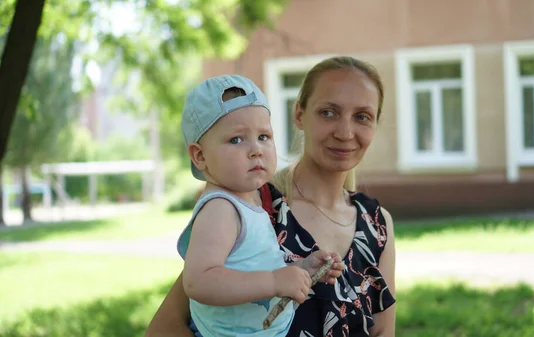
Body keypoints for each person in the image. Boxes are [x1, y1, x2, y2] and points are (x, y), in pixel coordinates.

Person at [145, 56, 396, 337]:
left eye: (362, 117)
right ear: (299, 115)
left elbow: (382, 332)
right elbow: (165, 326)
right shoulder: (250, 202)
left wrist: (300, 269)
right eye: (328, 112)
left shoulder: (377, 224)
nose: (345, 132)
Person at [176, 74, 345, 337]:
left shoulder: (249, 199)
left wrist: (299, 271)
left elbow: (250, 267)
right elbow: (199, 282)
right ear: (200, 156)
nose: (256, 149)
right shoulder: (220, 209)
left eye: (264, 136)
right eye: (236, 140)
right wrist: (275, 281)